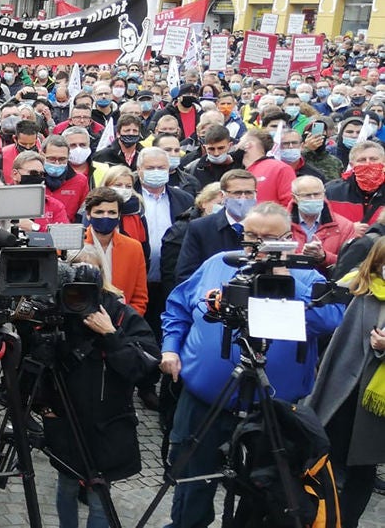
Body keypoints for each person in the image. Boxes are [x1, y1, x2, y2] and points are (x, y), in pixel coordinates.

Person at [160, 202, 344, 528]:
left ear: (287, 239)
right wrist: (171, 349)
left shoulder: (307, 276)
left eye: (268, 239)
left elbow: (331, 321)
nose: (257, 246)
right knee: (190, 482)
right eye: (251, 237)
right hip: (205, 402)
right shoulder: (219, 264)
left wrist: (287, 281)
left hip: (272, 409)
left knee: (265, 493)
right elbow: (178, 307)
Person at [38, 258, 160, 528]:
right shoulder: (58, 311)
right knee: (67, 485)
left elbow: (146, 370)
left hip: (108, 423)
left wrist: (111, 335)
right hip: (66, 419)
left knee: (99, 496)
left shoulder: (121, 314)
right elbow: (37, 364)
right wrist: (44, 407)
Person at [306, 238, 385, 528]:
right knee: (328, 457)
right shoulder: (354, 287)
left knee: (363, 467)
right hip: (343, 391)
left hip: (375, 402)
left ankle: (347, 522)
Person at [176, 169, 254, 281]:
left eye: (249, 193)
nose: (243, 198)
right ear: (223, 195)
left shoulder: (265, 228)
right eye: (237, 193)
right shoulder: (201, 228)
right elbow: (186, 274)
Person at [83, 187, 149, 315]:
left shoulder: (134, 248)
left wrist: (125, 321)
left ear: (119, 215)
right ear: (88, 214)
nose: (105, 216)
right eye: (99, 212)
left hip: (121, 320)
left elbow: (139, 298)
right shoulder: (74, 247)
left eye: (112, 212)